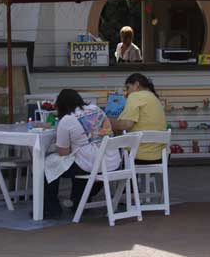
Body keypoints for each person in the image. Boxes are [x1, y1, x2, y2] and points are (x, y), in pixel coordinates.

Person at [44, 89, 120, 219]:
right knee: (78, 160)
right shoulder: (95, 109)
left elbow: (63, 152)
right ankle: (79, 201)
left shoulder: (67, 120)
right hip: (113, 161)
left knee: (48, 164)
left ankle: (51, 209)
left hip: (93, 165)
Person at [111, 73, 166, 164]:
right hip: (160, 156)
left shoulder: (135, 96)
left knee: (114, 154)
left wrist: (108, 122)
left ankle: (127, 177)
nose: (127, 93)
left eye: (128, 88)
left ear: (136, 85)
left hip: (138, 155)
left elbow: (126, 124)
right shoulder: (154, 98)